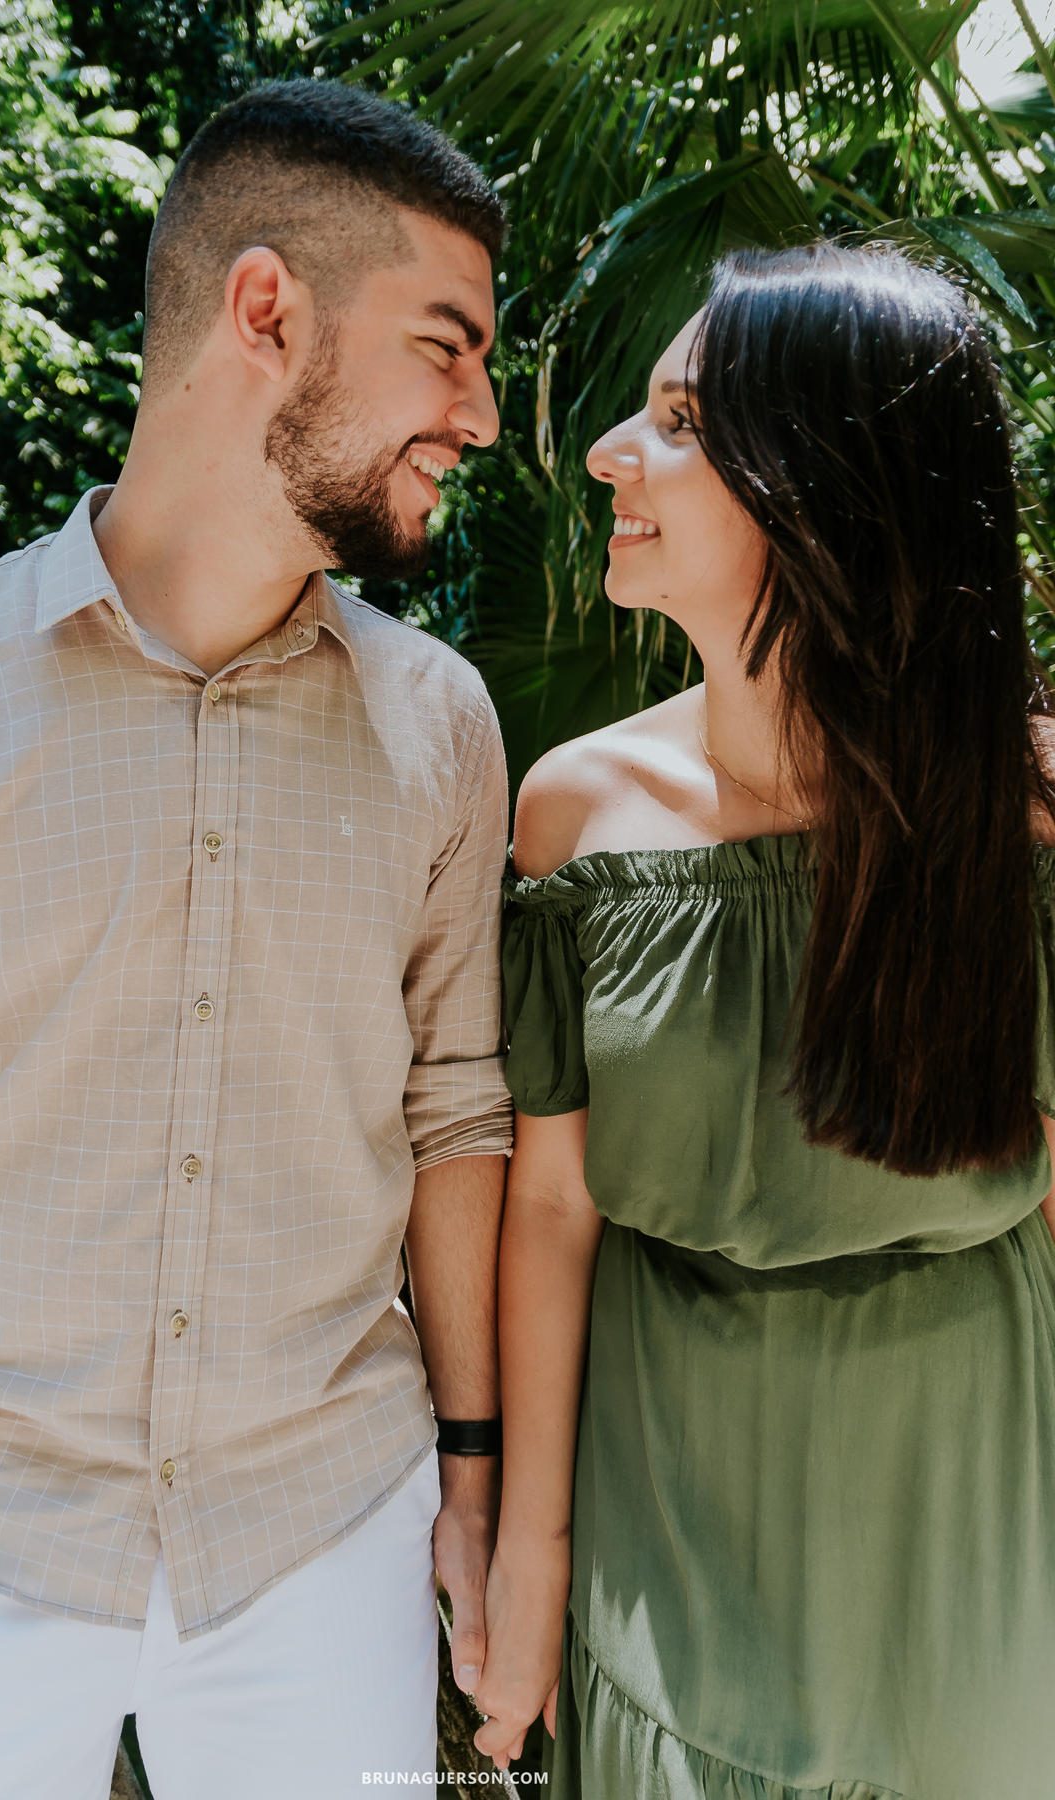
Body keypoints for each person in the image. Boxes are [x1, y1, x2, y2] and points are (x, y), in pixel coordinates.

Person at [0, 79, 512, 1798]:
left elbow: (458, 1120)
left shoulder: (443, 722)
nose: (486, 413)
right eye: (447, 346)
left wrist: (473, 1483)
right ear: (269, 311)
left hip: (328, 1537)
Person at [472, 245, 1055, 1799]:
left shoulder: (1028, 825)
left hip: (973, 1548)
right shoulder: (577, 811)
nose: (609, 451)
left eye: (675, 419)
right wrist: (529, 1560)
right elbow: (547, 1206)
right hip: (671, 1531)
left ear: (821, 489)